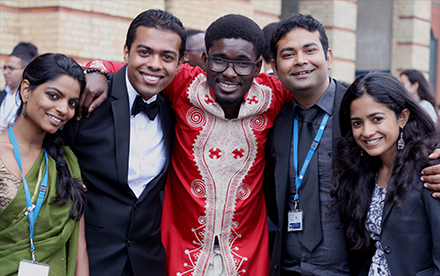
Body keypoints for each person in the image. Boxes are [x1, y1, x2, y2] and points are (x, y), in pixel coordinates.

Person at [62, 9, 184, 276]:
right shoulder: (90, 99)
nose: (154, 64)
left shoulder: (175, 112)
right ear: (126, 52)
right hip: (89, 259)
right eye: (144, 52)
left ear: (180, 62)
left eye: (167, 57)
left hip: (147, 263)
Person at [264, 13, 351, 276]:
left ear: (329, 57)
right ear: (275, 68)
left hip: (349, 268)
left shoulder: (357, 111)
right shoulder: (273, 120)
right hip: (289, 267)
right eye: (288, 54)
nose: (300, 60)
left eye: (310, 50)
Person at [332, 71, 440, 275]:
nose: (367, 131)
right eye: (357, 123)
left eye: (376, 119)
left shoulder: (429, 167)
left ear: (403, 117)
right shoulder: (365, 170)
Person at [0, 53, 88, 276]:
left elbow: (80, 250)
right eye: (53, 96)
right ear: (26, 90)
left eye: (72, 103)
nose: (63, 109)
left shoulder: (65, 163)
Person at [0, 42, 38, 132]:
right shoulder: (2, 94)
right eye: (4, 68)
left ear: (24, 70)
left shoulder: (30, 99)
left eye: (11, 68)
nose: (5, 72)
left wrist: (15, 129)